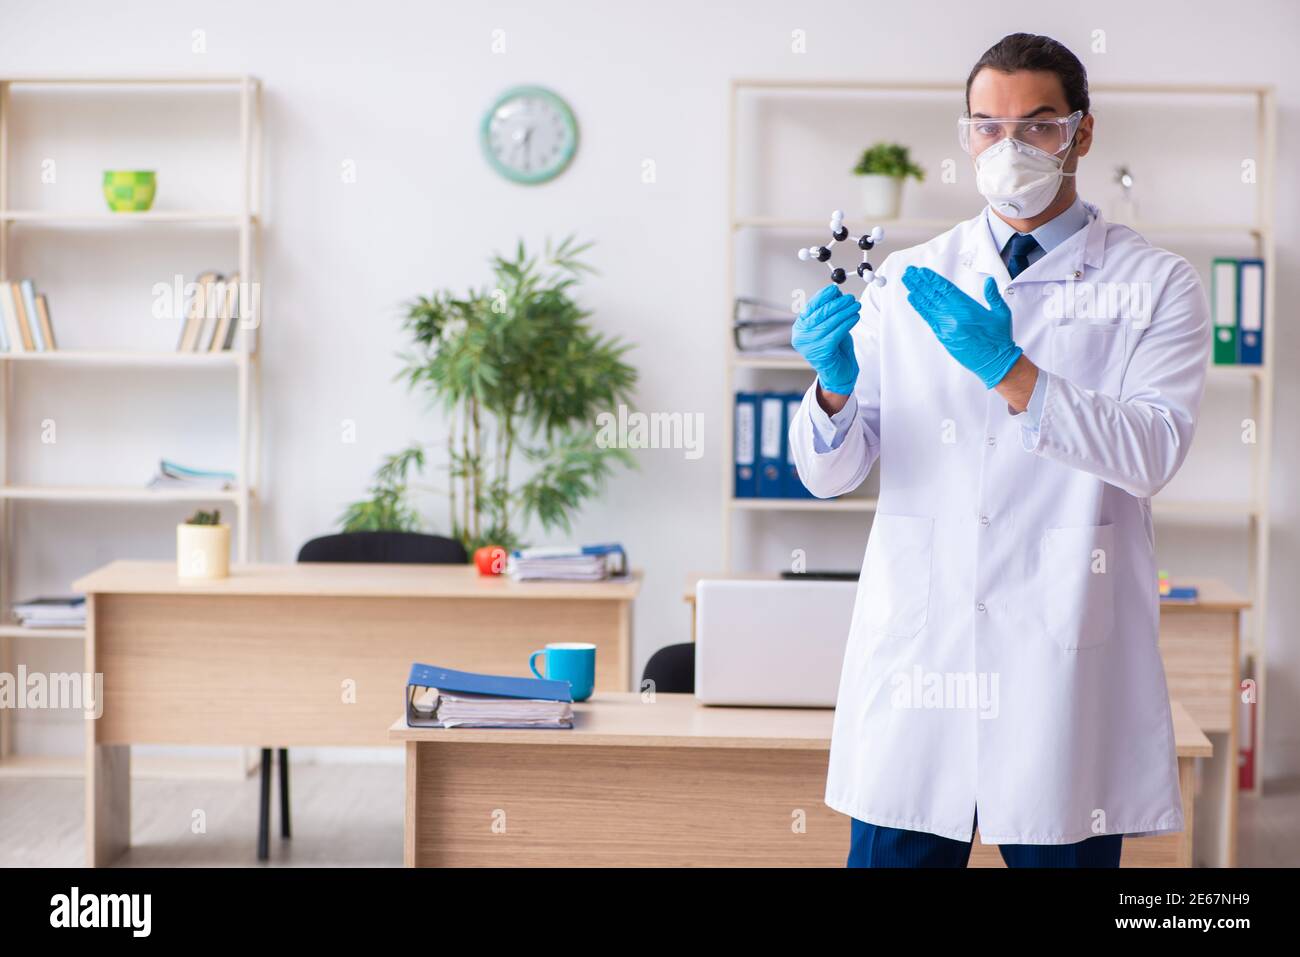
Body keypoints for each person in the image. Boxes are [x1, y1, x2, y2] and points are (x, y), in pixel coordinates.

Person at [789, 33, 1210, 867]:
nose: (1009, 147)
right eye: (988, 126)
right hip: (921, 653)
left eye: (1038, 124)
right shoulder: (912, 279)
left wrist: (1013, 372)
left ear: (1082, 133)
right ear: (965, 136)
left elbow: (1154, 451)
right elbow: (830, 473)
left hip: (1061, 664)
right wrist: (833, 389)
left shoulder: (1158, 284)